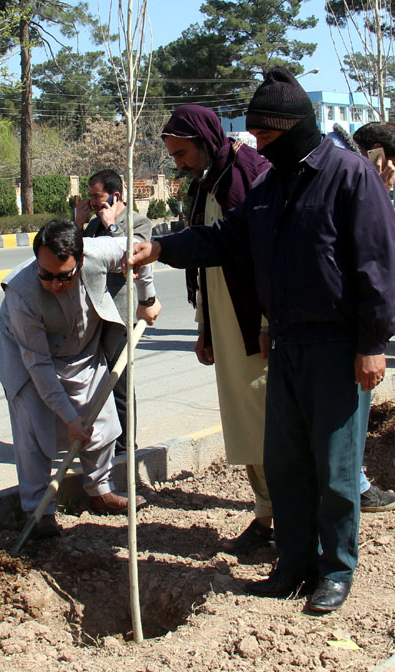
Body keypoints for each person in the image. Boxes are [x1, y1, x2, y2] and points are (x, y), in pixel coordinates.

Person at [131, 68, 395, 614]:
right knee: (286, 464)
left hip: (337, 346)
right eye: (253, 137)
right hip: (285, 344)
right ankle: (293, 563)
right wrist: (162, 249)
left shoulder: (349, 175)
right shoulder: (267, 186)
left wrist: (372, 342)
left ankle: (335, 569)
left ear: (296, 129)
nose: (258, 147)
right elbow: (226, 239)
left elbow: (378, 264)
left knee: (335, 467)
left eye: (267, 138)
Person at [0, 220, 160, 540]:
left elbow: (141, 249)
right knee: (35, 431)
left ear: (80, 261)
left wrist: (148, 298)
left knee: (103, 421)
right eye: (46, 275)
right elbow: (39, 365)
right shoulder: (22, 295)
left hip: (83, 348)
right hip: (29, 359)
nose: (54, 283)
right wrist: (69, 419)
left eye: (63, 276)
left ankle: (99, 491)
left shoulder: (98, 251)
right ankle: (39, 512)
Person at [161, 104, 275, 553]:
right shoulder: (208, 180)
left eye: (183, 153)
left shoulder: (246, 173)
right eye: (173, 156)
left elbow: (265, 257)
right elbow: (208, 258)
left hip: (254, 324)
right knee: (245, 424)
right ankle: (266, 516)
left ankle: (285, 519)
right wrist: (204, 324)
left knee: (266, 422)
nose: (180, 164)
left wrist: (268, 322)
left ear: (207, 140)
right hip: (226, 323)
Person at [74, 169, 159, 447]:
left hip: (121, 317)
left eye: (97, 197)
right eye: (90, 198)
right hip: (94, 315)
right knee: (95, 383)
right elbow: (77, 256)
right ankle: (102, 442)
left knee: (119, 382)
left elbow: (133, 260)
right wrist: (79, 223)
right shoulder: (93, 224)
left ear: (115, 195)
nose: (93, 203)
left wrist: (112, 226)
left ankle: (125, 447)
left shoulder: (138, 222)